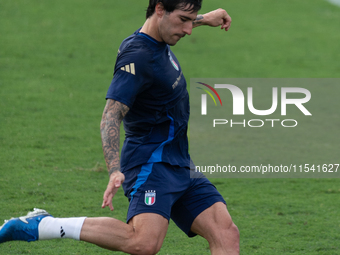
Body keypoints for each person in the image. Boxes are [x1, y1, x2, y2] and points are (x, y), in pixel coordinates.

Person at [0, 0, 239, 254]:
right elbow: (110, 116)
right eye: (184, 20)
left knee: (226, 233)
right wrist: (114, 170)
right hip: (151, 164)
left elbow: (174, 20)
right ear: (159, 9)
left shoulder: (159, 36)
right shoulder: (137, 58)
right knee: (144, 242)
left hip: (179, 161)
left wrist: (204, 18)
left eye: (191, 21)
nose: (188, 29)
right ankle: (46, 225)